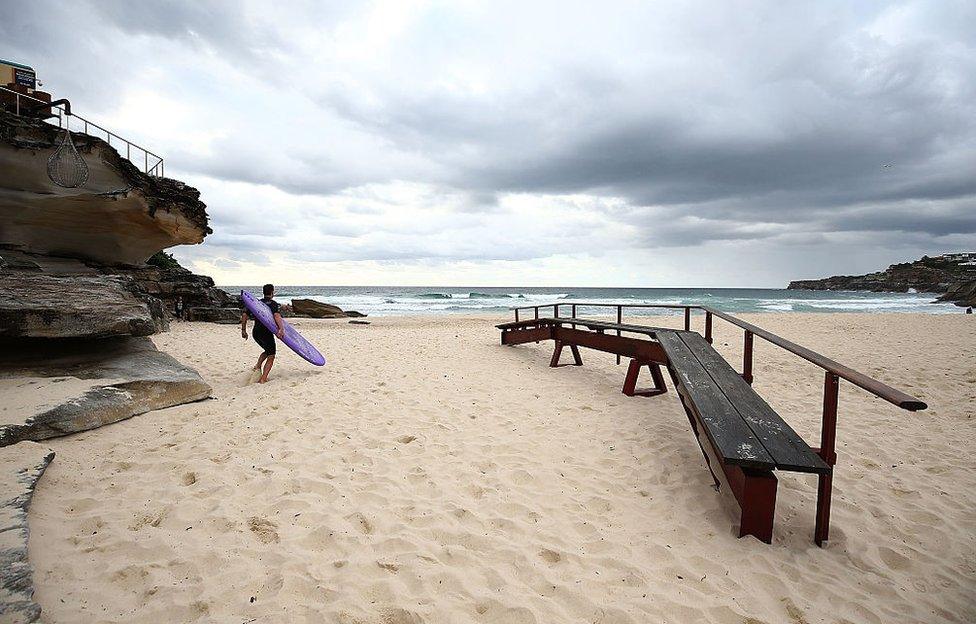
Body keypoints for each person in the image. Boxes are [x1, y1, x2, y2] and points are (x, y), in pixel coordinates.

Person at [241, 284, 285, 383]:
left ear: (263, 292)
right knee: (271, 355)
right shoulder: (273, 304)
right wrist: (281, 329)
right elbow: (277, 315)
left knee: (267, 350)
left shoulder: (256, 303)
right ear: (272, 292)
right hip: (266, 333)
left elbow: (244, 315)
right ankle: (263, 379)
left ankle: (257, 366)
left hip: (256, 332)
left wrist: (243, 330)